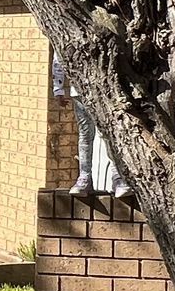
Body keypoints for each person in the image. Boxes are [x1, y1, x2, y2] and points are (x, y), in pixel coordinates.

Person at [52, 53, 131, 198]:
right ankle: (84, 177)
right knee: (85, 134)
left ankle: (117, 176)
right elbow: (59, 55)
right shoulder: (68, 31)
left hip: (103, 87)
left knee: (107, 133)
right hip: (79, 90)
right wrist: (58, 87)